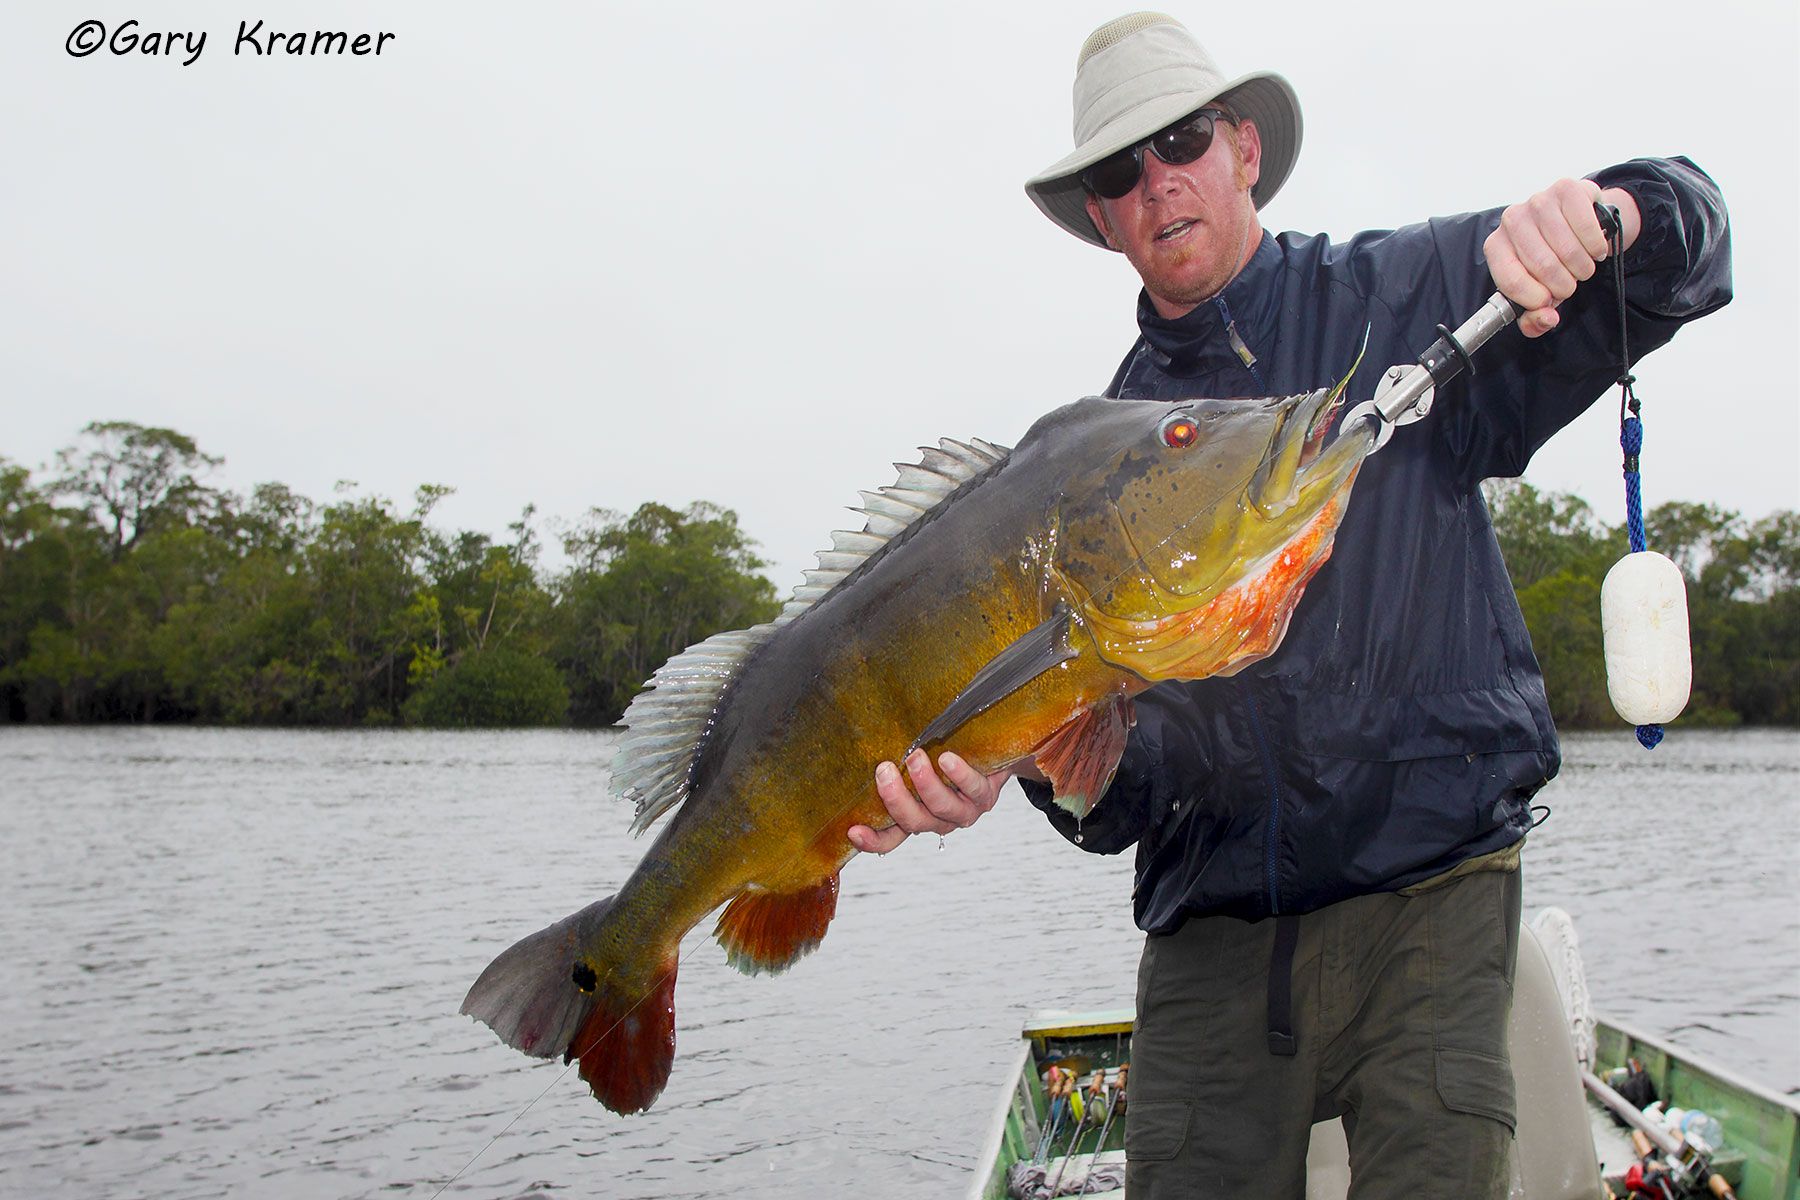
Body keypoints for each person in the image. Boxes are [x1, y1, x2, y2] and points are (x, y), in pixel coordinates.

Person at [848, 11, 1730, 1197]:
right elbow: (1124, 796)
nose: (1161, 185)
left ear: (1245, 149)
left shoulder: (1403, 300)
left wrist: (1615, 212)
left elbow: (1689, 252)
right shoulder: (1081, 470)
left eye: (1186, 143)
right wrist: (1038, 767)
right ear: (1101, 216)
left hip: (1435, 901)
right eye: (1123, 172)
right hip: (1214, 938)